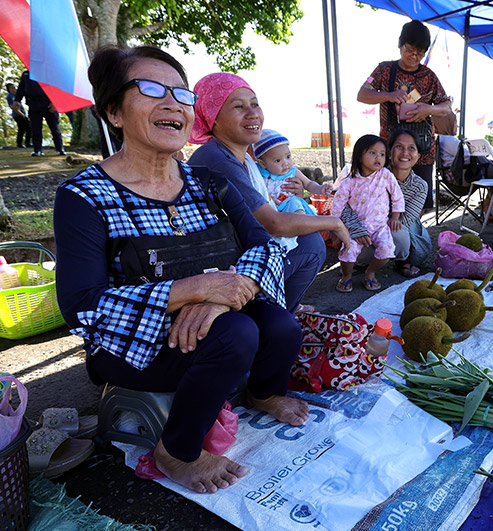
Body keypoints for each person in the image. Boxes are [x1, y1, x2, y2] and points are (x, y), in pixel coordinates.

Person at [55, 45, 309, 495]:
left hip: (217, 317)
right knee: (238, 334)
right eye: (151, 89)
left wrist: (221, 292)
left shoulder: (208, 183)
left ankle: (263, 392)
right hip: (134, 345)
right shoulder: (84, 197)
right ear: (114, 112)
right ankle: (177, 449)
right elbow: (81, 308)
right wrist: (192, 289)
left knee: (281, 326)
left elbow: (266, 247)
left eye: (182, 94)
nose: (173, 103)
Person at [188, 73, 351, 314]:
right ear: (214, 118)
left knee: (309, 239)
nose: (252, 113)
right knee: (313, 245)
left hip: (234, 252)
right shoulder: (218, 159)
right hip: (218, 269)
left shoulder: (241, 158)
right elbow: (273, 223)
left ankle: (280, 309)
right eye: (238, 106)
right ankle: (276, 313)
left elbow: (266, 205)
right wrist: (334, 223)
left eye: (255, 104)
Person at [357, 19, 451, 211]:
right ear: (400, 44)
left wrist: (428, 109)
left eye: (420, 53)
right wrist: (388, 95)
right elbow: (362, 94)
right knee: (387, 199)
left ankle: (412, 237)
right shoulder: (384, 70)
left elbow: (446, 106)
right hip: (391, 148)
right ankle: (390, 238)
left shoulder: (429, 76)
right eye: (409, 50)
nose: (414, 56)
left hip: (421, 151)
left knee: (420, 202)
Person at [333, 134, 405, 293]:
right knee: (348, 251)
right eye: (372, 153)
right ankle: (346, 276)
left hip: (380, 226)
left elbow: (397, 195)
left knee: (387, 251)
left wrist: (395, 217)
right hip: (355, 227)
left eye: (382, 154)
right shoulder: (350, 180)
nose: (378, 157)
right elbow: (338, 204)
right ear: (359, 156)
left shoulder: (385, 175)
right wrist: (336, 229)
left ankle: (370, 272)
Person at [253, 129, 331, 214]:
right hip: (272, 212)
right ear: (262, 164)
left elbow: (308, 184)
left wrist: (320, 189)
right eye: (278, 160)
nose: (285, 163)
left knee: (294, 203)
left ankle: (303, 222)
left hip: (293, 208)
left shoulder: (292, 171)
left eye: (288, 156)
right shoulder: (259, 175)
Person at [13, 70, 65, 156]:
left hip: (48, 104)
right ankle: (37, 150)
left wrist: (55, 102)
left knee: (54, 127)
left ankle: (60, 148)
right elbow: (21, 88)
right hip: (33, 104)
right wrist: (17, 100)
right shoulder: (26, 74)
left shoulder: (49, 71)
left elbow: (57, 87)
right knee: (35, 128)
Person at [5, 82, 30, 148]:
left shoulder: (15, 96)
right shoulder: (10, 96)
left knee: (25, 128)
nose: (14, 89)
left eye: (14, 88)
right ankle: (22, 143)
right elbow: (13, 107)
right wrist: (21, 114)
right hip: (18, 115)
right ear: (9, 89)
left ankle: (25, 143)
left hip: (21, 114)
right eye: (12, 88)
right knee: (25, 128)